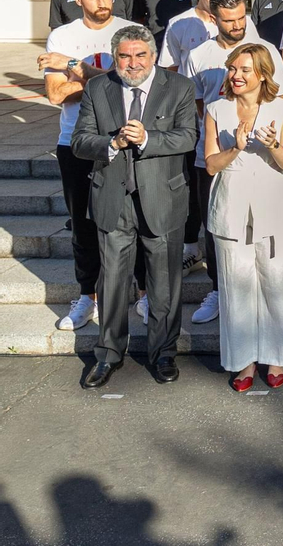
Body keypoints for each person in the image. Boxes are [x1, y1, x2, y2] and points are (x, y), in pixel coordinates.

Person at [71, 24, 197, 388]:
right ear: (115, 57)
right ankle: (108, 356)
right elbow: (80, 141)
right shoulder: (98, 87)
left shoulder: (179, 87)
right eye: (125, 56)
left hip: (163, 198)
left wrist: (147, 139)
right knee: (111, 281)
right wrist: (112, 145)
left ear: (154, 55)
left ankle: (163, 354)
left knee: (164, 283)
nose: (133, 62)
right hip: (113, 198)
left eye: (140, 54)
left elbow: (188, 137)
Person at [177, 0, 283, 325]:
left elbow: (279, 101)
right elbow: (197, 103)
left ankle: (263, 291)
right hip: (212, 156)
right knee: (217, 226)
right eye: (229, 20)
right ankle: (218, 289)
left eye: (242, 17)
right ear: (213, 18)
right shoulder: (199, 54)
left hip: (261, 160)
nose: (238, 25)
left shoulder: (265, 50)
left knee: (262, 227)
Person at [40, 0, 139, 331]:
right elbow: (55, 94)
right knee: (82, 223)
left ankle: (142, 293)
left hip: (125, 137)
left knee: (136, 217)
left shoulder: (129, 32)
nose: (102, 3)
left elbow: (131, 81)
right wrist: (108, 79)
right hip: (75, 140)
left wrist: (72, 68)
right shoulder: (62, 35)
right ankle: (88, 297)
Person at [202, 42, 283, 390]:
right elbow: (211, 165)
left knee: (276, 280)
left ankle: (276, 355)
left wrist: (272, 145)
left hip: (273, 201)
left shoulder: (282, 108)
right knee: (236, 284)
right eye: (233, 68)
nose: (236, 75)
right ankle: (243, 361)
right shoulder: (216, 109)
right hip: (232, 203)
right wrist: (236, 147)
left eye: (245, 69)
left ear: (262, 74)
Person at [157, 0, 233, 72]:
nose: (221, 1)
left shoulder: (239, 22)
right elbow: (172, 69)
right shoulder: (178, 24)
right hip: (192, 88)